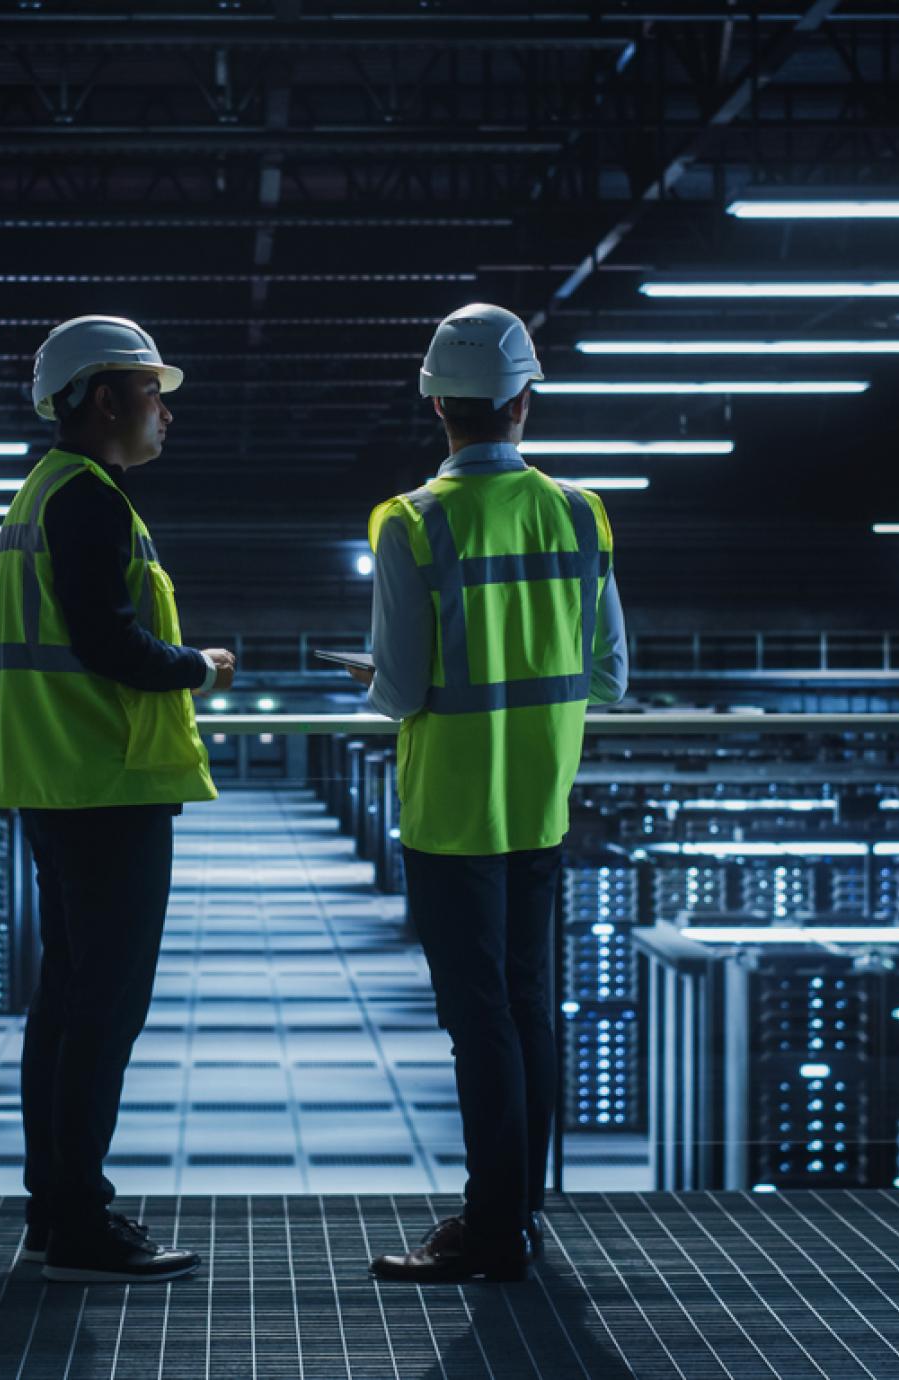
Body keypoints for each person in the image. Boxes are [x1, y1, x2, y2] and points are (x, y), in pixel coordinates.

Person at [355, 303, 628, 1282]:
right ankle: (516, 1218)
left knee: (479, 1025)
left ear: (437, 401)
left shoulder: (408, 521)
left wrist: (375, 679)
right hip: (539, 803)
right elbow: (608, 677)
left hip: (449, 813)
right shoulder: (578, 511)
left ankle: (489, 1229)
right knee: (529, 1008)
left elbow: (399, 688)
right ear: (522, 400)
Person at [0, 315, 237, 1283]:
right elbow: (109, 644)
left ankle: (53, 1209)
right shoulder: (86, 501)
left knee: (67, 1005)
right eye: (149, 392)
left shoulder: (40, 496)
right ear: (101, 398)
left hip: (59, 783)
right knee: (102, 1012)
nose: (162, 412)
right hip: (105, 787)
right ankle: (81, 1220)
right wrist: (200, 668)